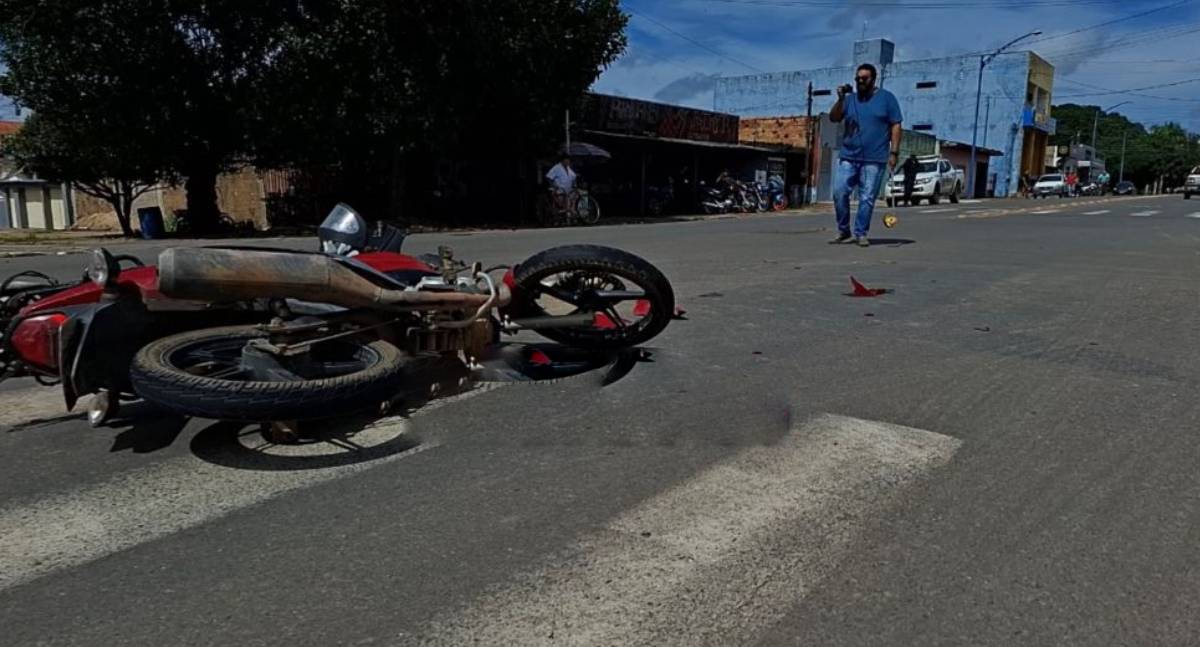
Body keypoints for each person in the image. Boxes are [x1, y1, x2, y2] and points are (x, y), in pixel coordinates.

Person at [829, 63, 903, 247]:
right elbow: (834, 117)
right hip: (848, 155)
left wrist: (894, 152)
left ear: (873, 79)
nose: (860, 81)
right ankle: (844, 230)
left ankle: (861, 232)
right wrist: (840, 99)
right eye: (857, 79)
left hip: (874, 158)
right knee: (839, 192)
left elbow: (896, 125)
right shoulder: (850, 99)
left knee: (867, 197)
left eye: (864, 78)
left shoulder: (887, 99)